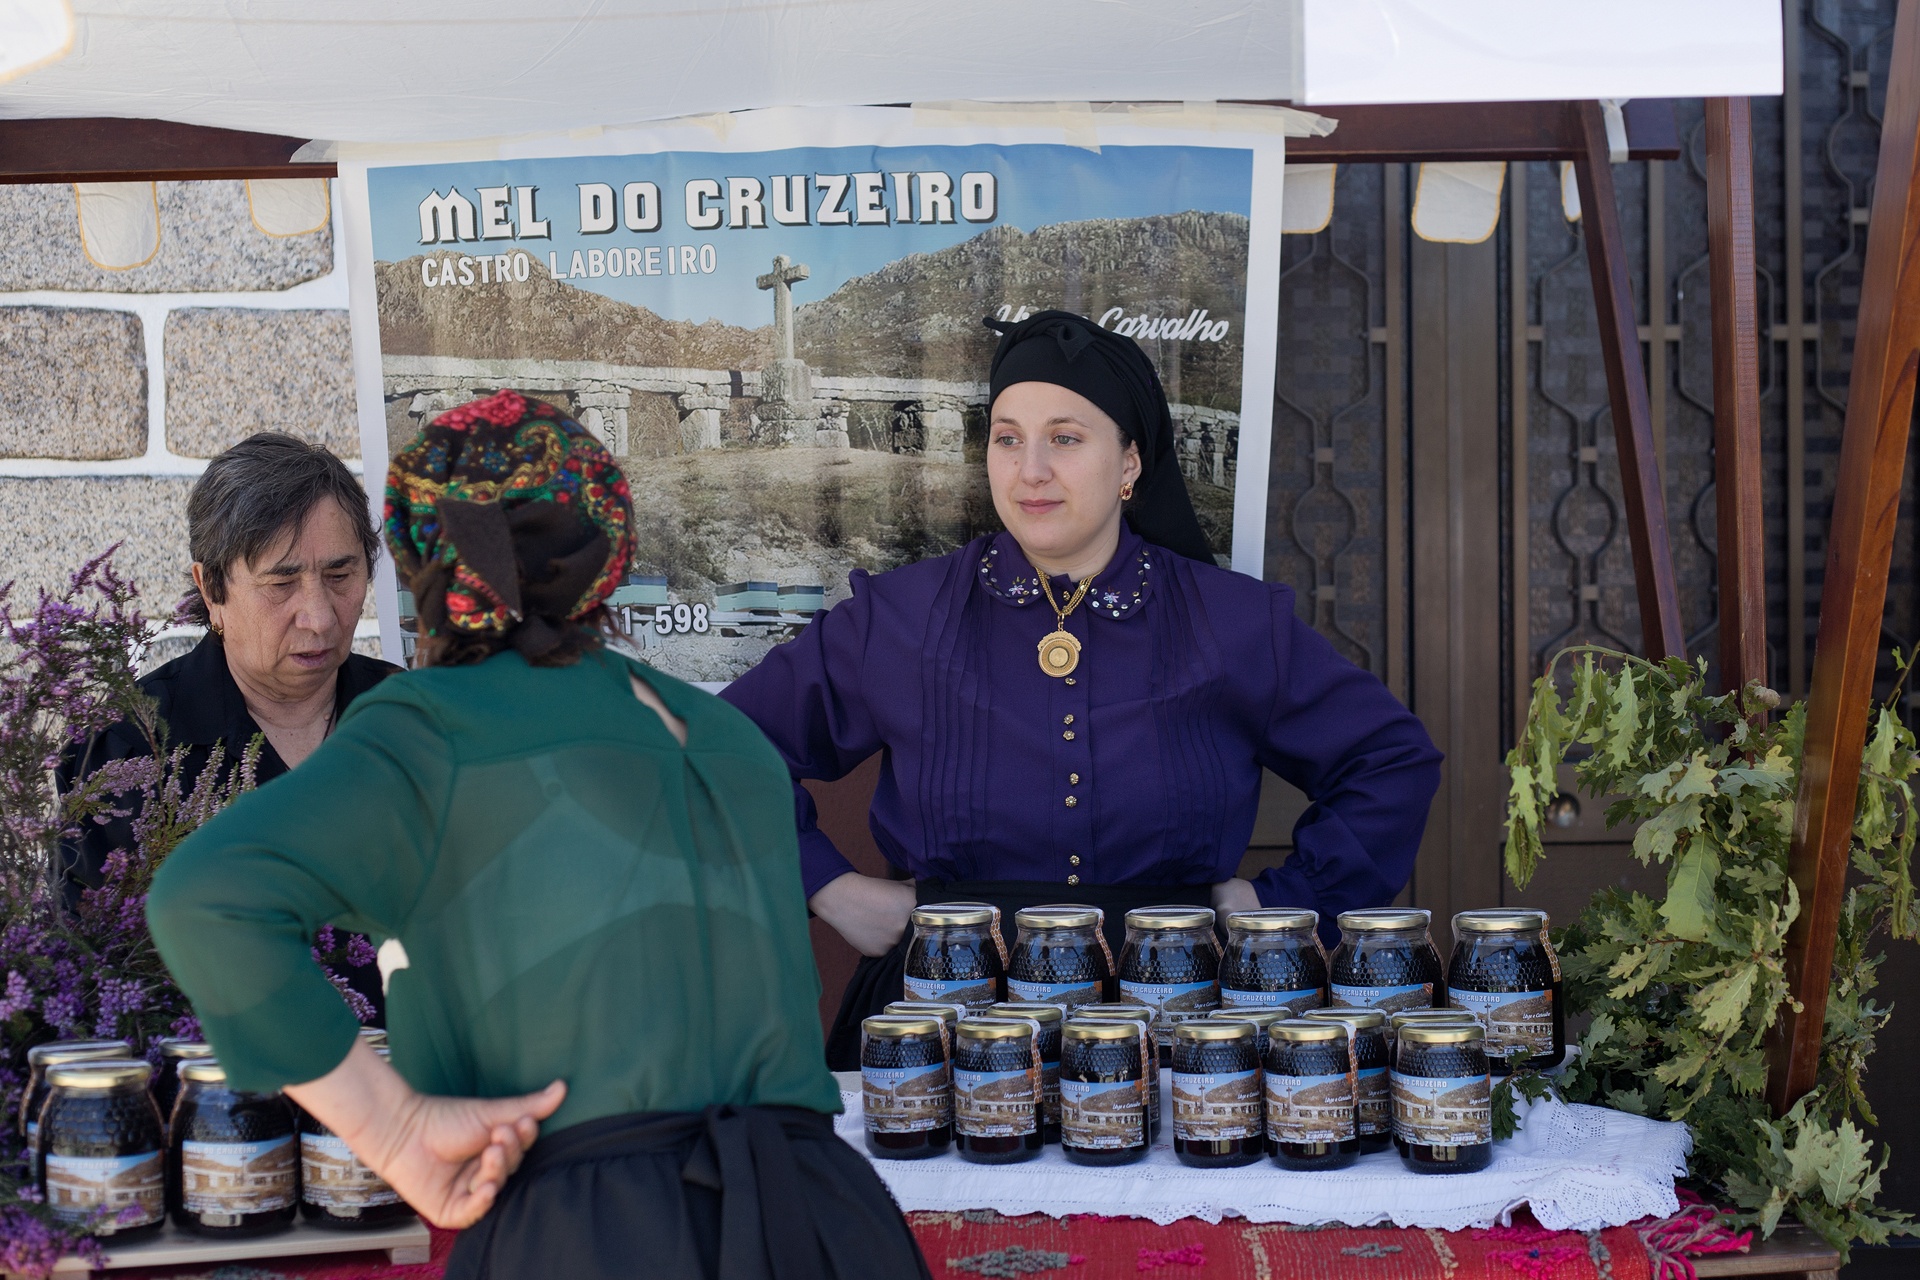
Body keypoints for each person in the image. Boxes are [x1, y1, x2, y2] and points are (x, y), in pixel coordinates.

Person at [147, 391, 929, 1280]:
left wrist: (393, 1126)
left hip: (593, 1234)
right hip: (824, 1216)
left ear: (428, 563)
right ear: (607, 549)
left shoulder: (434, 725)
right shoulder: (726, 739)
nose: (320, 611)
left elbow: (204, 899)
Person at [721, 311, 1444, 1068]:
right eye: (1007, 438)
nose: (1030, 470)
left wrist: (1278, 906)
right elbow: (721, 751)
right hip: (940, 1025)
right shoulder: (897, 619)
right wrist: (829, 888)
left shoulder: (1229, 622)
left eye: (1065, 438)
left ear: (1130, 462)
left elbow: (1389, 761)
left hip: (1182, 1024)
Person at [57, 432, 395, 1011]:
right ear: (211, 588)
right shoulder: (122, 751)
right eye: (281, 582)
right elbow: (95, 980)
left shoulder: (419, 720)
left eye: (341, 575)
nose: (318, 616)